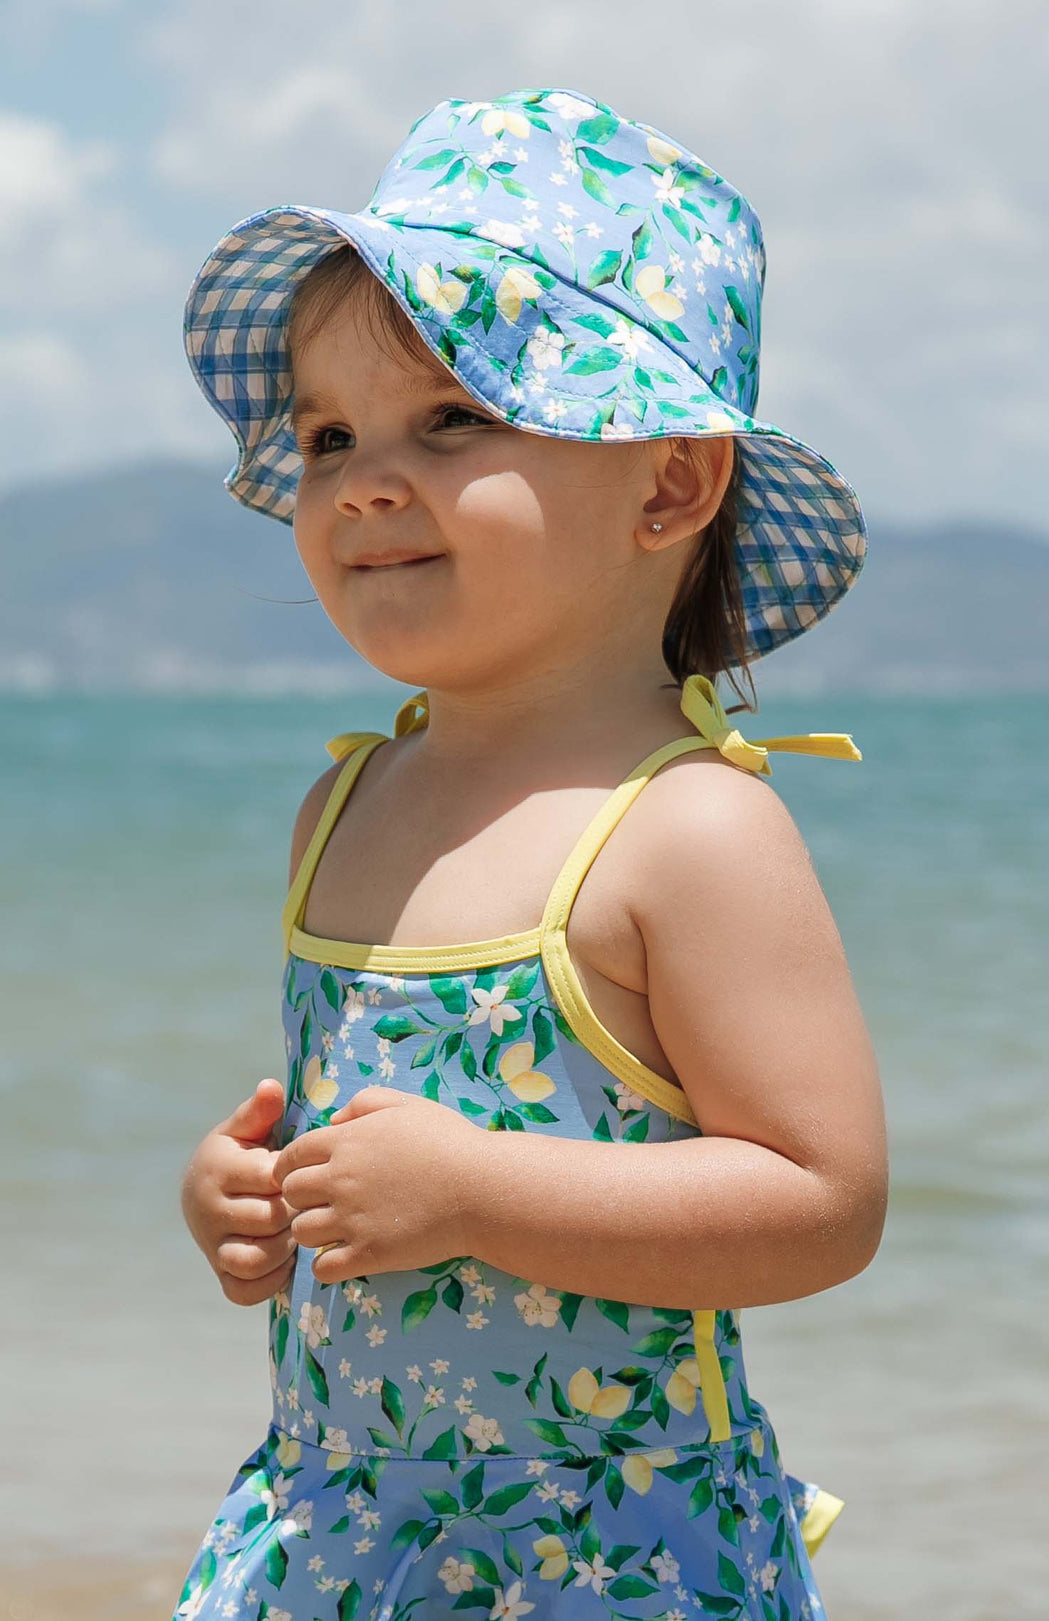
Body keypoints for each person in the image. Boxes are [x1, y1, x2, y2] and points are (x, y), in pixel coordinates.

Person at [173, 86, 887, 1621]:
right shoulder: (345, 807)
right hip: (339, 1532)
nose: (366, 476)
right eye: (327, 433)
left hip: (601, 1554)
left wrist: (478, 1189)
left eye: (455, 417)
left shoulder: (686, 827)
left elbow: (822, 1199)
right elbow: (372, 1144)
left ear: (671, 481)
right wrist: (255, 1197)